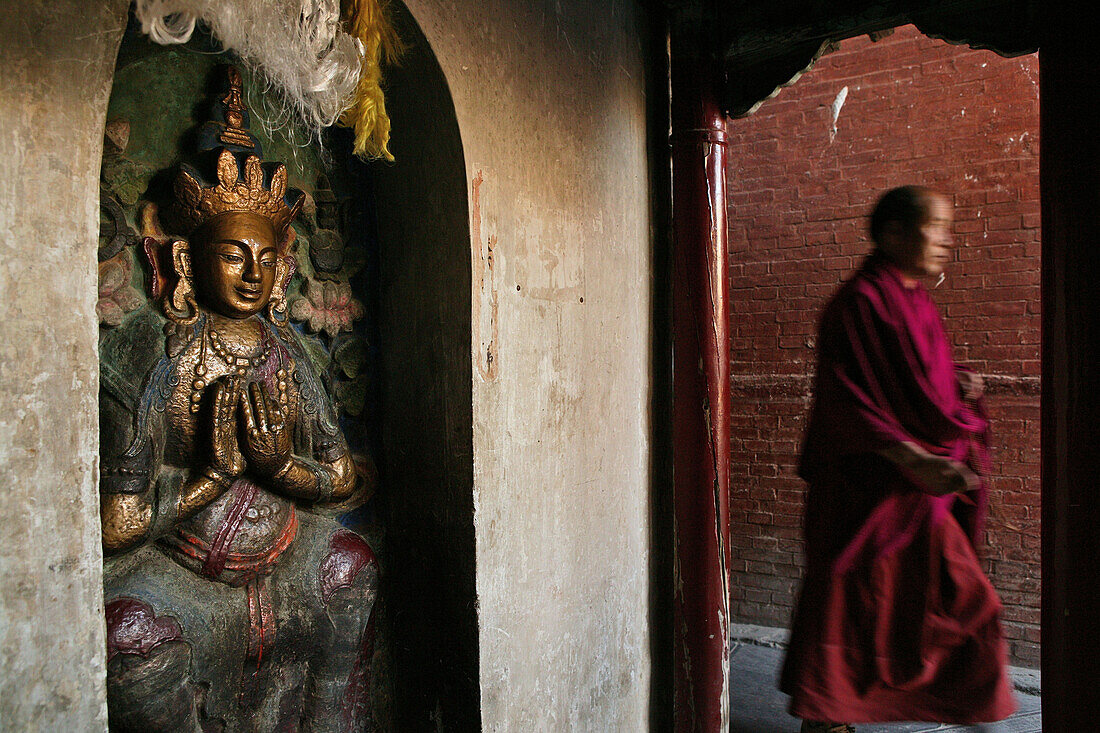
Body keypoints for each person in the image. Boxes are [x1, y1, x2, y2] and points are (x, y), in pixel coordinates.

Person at [99, 68, 378, 732]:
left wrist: (283, 469)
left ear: (282, 268)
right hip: (183, 577)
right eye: (232, 256)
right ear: (190, 262)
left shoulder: (284, 354)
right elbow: (116, 526)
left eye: (263, 258)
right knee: (128, 634)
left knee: (352, 567)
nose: (252, 274)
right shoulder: (156, 358)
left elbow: (339, 475)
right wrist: (207, 482)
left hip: (281, 563)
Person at [778, 186, 1016, 733]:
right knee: (848, 603)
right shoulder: (858, 303)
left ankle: (956, 708)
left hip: (918, 493)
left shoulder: (917, 303)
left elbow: (915, 388)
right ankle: (829, 720)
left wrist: (958, 389)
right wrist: (911, 457)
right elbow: (847, 401)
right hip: (870, 490)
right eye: (936, 225)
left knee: (969, 603)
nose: (946, 241)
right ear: (892, 235)